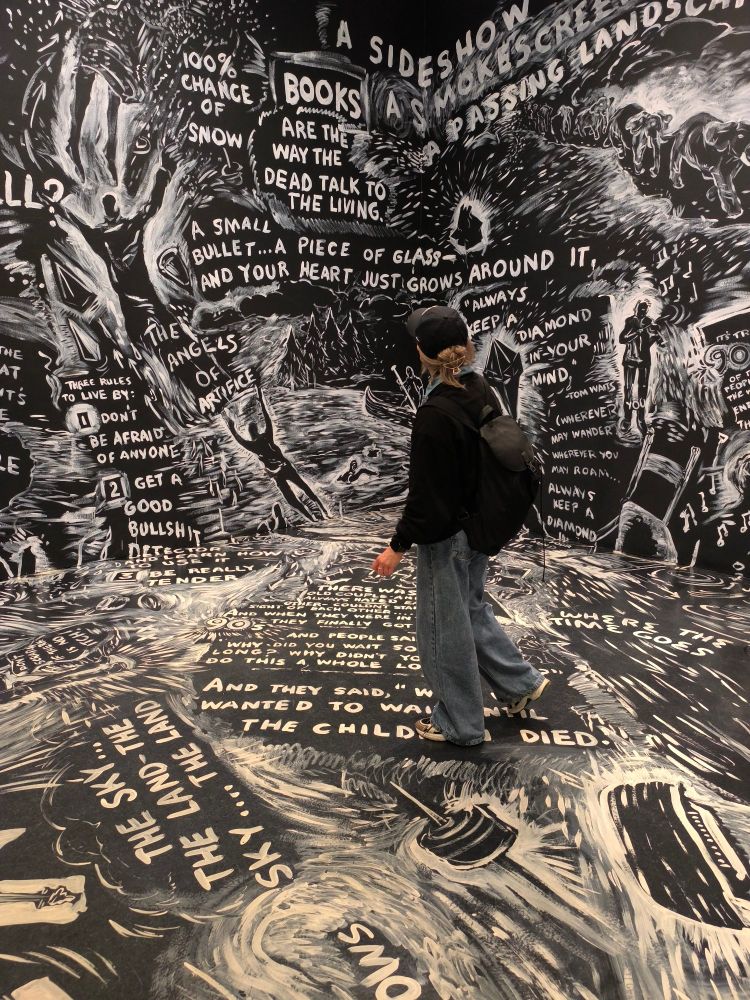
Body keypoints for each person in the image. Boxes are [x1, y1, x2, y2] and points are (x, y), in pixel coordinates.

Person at [371, 306, 548, 747]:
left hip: (449, 536)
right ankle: (520, 684)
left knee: (441, 630)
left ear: (421, 353)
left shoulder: (434, 414)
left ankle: (461, 723)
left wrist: (397, 546)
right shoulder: (480, 388)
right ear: (466, 349)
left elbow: (428, 498)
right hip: (481, 527)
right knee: (470, 611)